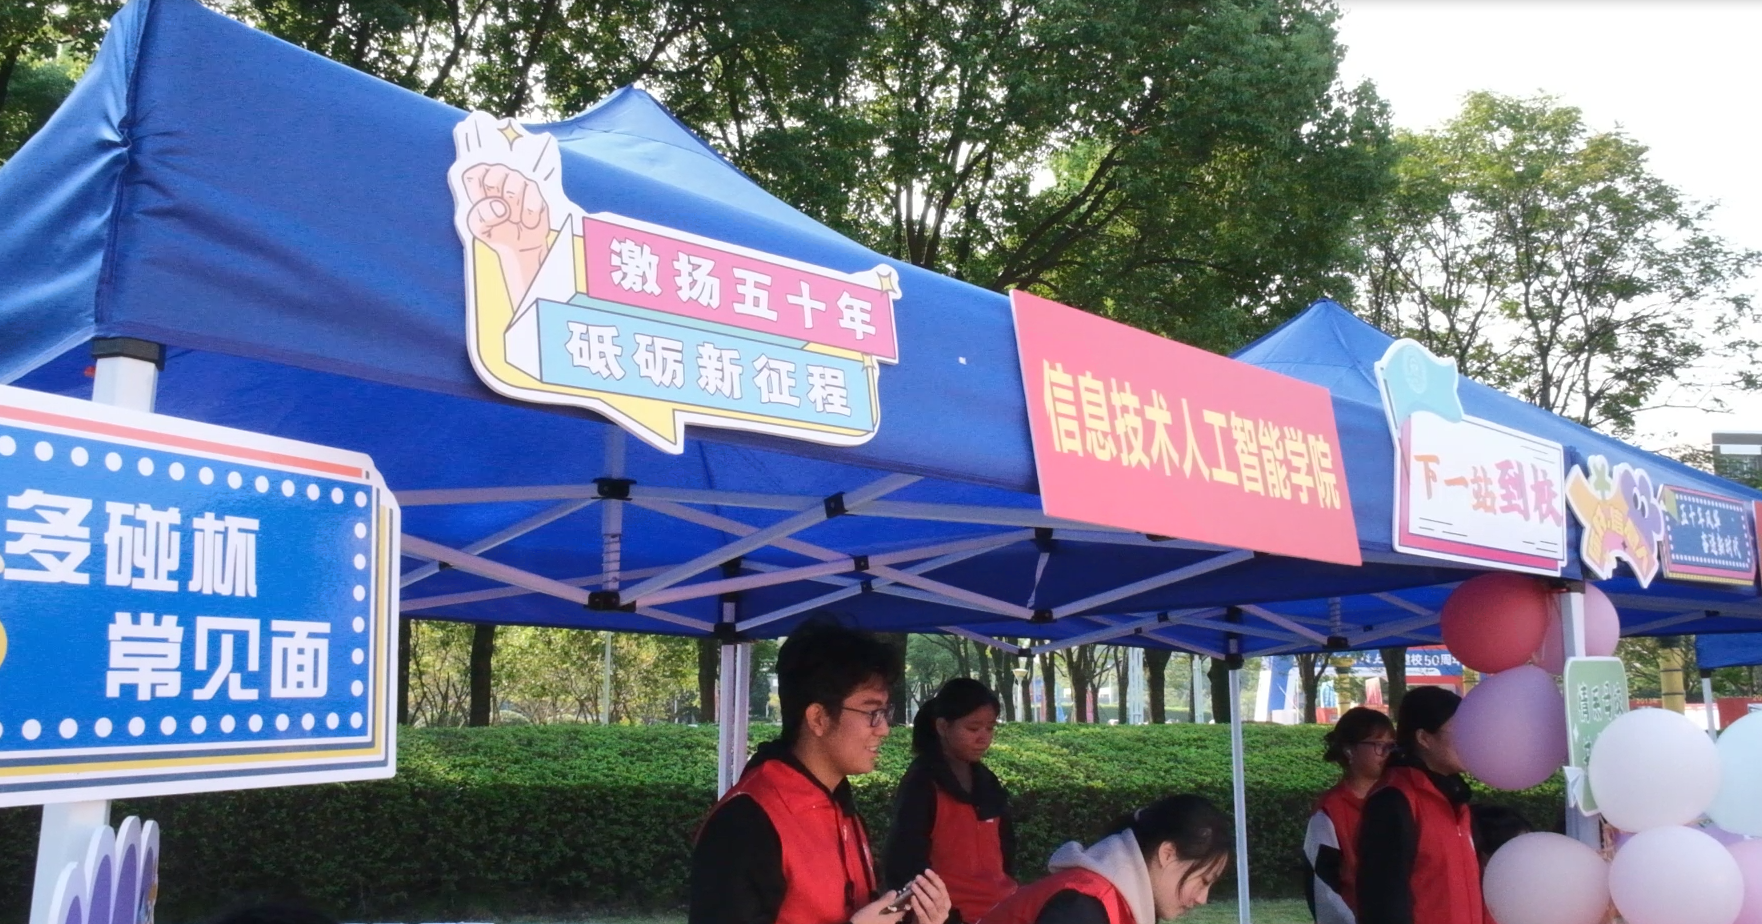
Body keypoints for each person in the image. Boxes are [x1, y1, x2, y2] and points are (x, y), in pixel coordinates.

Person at [689, 622, 953, 924]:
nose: (884, 729)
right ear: (818, 718)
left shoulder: (842, 808)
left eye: (885, 713)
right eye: (872, 712)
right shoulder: (745, 821)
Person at [976, 795, 1232, 924]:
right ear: (1167, 854)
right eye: (1203, 880)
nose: (1203, 898)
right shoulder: (1084, 905)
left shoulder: (1111, 900)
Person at [885, 678, 1019, 924]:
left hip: (1004, 909)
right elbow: (904, 860)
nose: (983, 738)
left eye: (990, 728)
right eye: (973, 728)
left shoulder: (988, 781)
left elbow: (1006, 848)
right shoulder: (922, 783)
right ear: (943, 727)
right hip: (949, 916)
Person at [1355, 687, 1485, 924]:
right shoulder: (1394, 800)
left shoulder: (1455, 799)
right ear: (1424, 738)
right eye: (1459, 730)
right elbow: (1383, 900)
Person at [1304, 706, 1397, 924]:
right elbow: (1323, 886)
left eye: (1391, 745)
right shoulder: (1330, 809)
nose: (1387, 753)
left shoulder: (1399, 799)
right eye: (1378, 745)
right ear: (1349, 750)